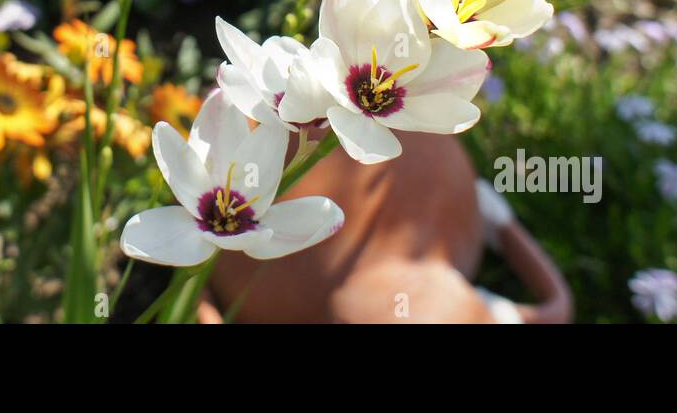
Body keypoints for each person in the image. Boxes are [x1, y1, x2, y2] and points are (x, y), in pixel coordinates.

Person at [198, 130, 573, 324]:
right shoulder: (452, 209)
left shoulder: (271, 297)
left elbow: (557, 307)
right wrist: (498, 221)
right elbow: (557, 306)